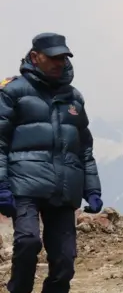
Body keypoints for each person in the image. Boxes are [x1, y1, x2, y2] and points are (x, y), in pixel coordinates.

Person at [0, 33, 103, 293]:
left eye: (63, 57)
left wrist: (92, 189)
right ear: (35, 57)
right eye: (53, 57)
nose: (60, 63)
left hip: (63, 187)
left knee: (65, 260)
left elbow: (84, 148)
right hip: (24, 185)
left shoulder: (74, 98)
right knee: (28, 242)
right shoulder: (12, 93)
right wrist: (1, 186)